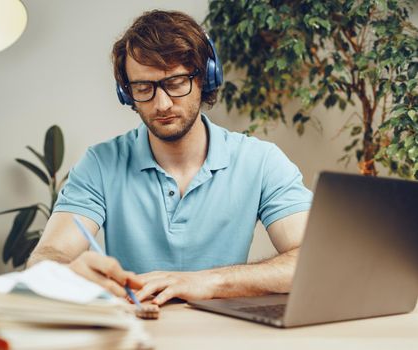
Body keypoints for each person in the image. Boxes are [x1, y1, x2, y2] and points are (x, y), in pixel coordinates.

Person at [27, 10, 312, 306]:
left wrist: (208, 281)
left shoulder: (261, 161)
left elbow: (313, 261)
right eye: (143, 88)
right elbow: (46, 258)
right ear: (127, 94)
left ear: (205, 78)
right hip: (138, 332)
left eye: (176, 83)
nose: (162, 104)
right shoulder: (100, 163)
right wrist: (68, 273)